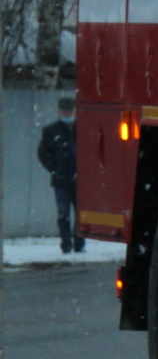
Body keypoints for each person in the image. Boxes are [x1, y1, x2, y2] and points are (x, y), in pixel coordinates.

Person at [39, 95, 80, 253]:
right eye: (64, 111)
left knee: (80, 216)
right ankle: (66, 245)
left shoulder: (82, 129)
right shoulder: (51, 131)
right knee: (63, 215)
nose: (67, 114)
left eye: (69, 111)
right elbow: (43, 153)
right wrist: (54, 168)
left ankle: (79, 244)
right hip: (61, 180)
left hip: (79, 180)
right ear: (59, 111)